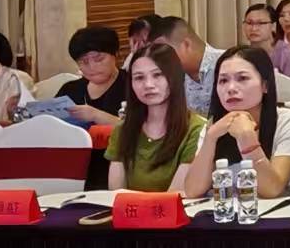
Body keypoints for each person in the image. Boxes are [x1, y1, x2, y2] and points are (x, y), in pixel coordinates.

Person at [175, 45, 290, 201]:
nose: (231, 88)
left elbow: (271, 189)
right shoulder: (215, 127)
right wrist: (210, 138)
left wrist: (247, 139)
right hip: (224, 213)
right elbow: (193, 191)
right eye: (223, 80)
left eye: (242, 78)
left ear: (265, 85)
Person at [105, 44, 205, 192]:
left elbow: (175, 195)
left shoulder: (197, 130)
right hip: (129, 207)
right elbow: (116, 193)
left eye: (158, 75)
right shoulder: (123, 130)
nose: (148, 85)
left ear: (176, 77)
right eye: (139, 77)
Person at [55, 25, 133, 127]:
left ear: (116, 54)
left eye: (99, 59)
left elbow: (143, 131)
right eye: (84, 61)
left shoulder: (133, 86)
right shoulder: (70, 90)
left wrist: (96, 115)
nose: (92, 67)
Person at [242, 2, 290, 82]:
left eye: (260, 23)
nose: (254, 28)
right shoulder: (242, 54)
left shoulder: (287, 55)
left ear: (273, 26)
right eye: (249, 23)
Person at [160, 17, 221, 113]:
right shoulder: (173, 77)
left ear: (186, 44)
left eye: (165, 54)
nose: (161, 62)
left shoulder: (227, 63)